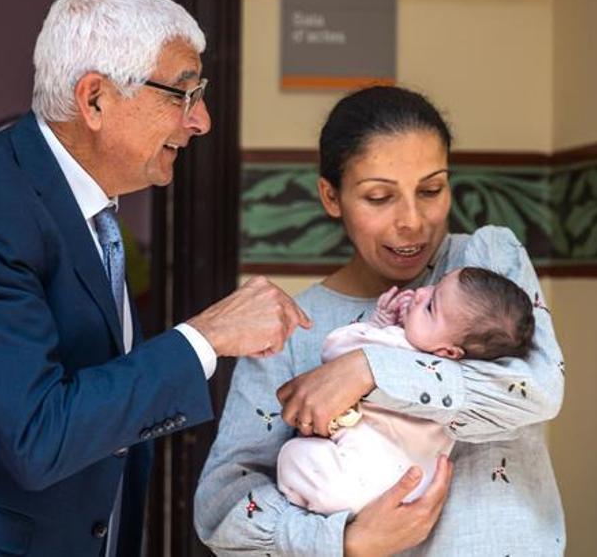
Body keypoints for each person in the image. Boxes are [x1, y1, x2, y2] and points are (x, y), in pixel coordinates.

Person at [0, 0, 309, 557]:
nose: (201, 121)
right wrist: (205, 339)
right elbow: (38, 433)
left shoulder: (86, 208)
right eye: (182, 94)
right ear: (95, 99)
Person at [195, 86, 566, 556]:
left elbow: (537, 389)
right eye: (378, 197)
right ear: (332, 197)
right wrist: (344, 542)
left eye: (431, 190)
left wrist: (368, 370)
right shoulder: (290, 330)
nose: (411, 221)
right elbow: (222, 505)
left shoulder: (485, 261)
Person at [277, 260, 534, 516]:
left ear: (447, 351)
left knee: (291, 454)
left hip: (349, 482)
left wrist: (378, 325)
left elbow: (337, 352)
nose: (421, 292)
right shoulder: (457, 384)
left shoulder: (399, 346)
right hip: (405, 491)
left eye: (431, 307)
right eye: (434, 287)